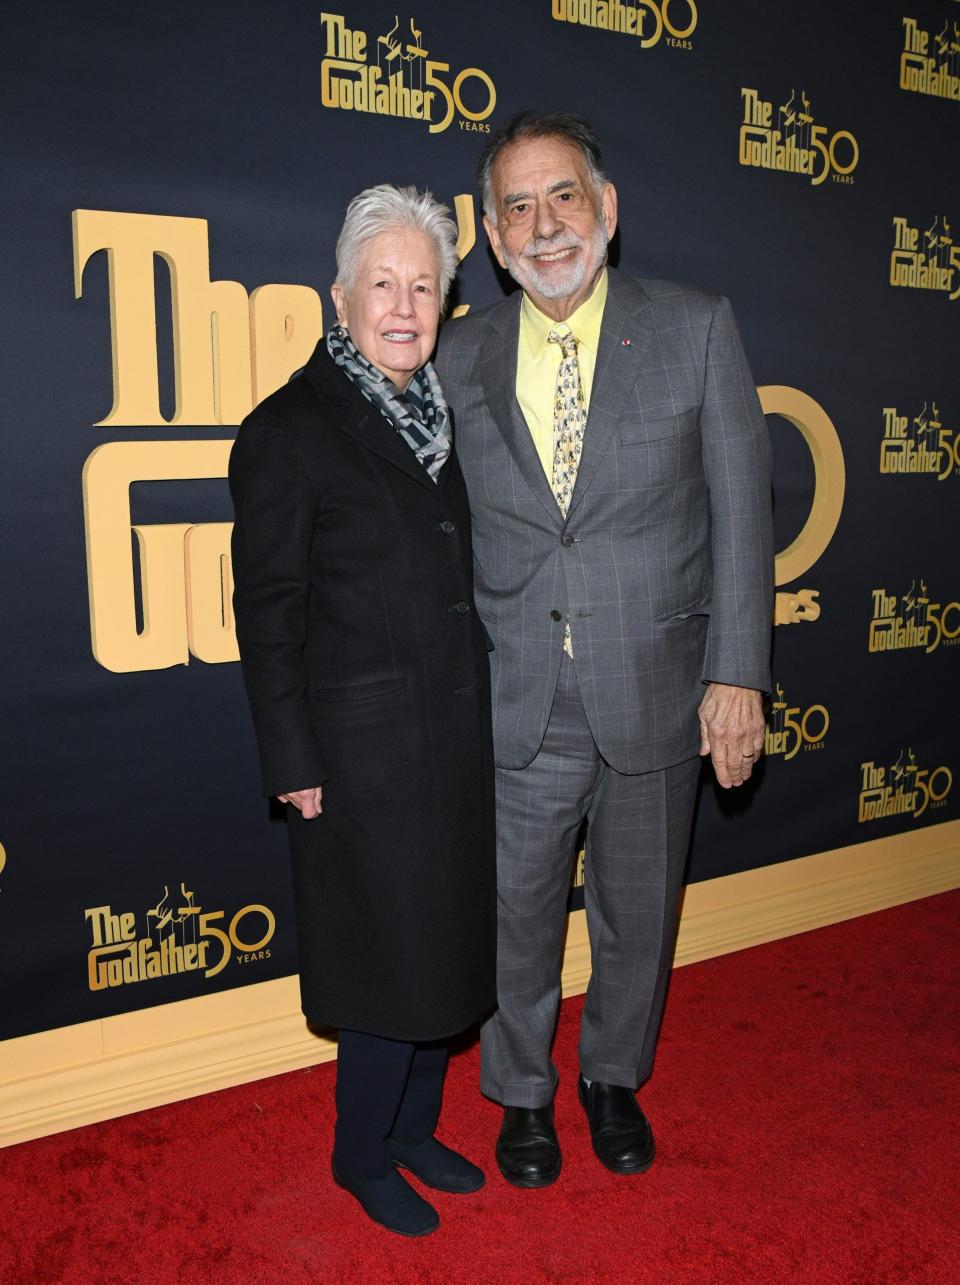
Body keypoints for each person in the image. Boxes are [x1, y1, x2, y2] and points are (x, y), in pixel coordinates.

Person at [435, 112, 774, 1187]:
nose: (545, 227)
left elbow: (741, 510)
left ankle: (613, 1075)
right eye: (519, 208)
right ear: (491, 236)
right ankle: (522, 1091)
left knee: (639, 908)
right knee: (517, 915)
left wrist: (736, 672)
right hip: (516, 693)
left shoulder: (696, 327)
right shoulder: (455, 353)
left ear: (608, 207)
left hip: (660, 688)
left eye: (563, 197)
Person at [229, 185, 496, 1237]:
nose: (402, 303)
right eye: (381, 282)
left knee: (447, 952)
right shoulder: (288, 431)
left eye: (422, 285)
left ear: (443, 302)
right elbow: (270, 615)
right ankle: (357, 1152)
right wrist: (291, 756)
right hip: (357, 755)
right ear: (339, 296)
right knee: (389, 962)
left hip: (456, 738)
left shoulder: (443, 417)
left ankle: (413, 1129)